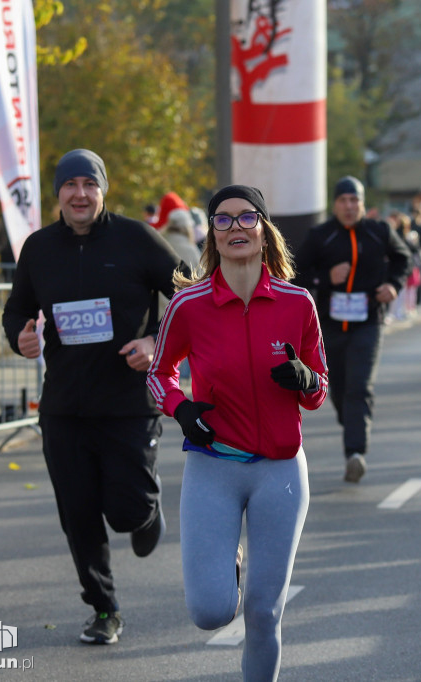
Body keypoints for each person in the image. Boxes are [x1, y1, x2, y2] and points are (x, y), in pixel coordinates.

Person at [2, 149, 186, 645]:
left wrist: (155, 343)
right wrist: (18, 336)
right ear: (57, 192)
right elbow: (16, 310)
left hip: (128, 403)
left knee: (126, 513)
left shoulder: (136, 239)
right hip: (64, 408)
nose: (79, 194)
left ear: (103, 190)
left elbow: (191, 296)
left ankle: (147, 510)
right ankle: (104, 608)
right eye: (70, 185)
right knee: (78, 514)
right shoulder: (38, 249)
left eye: (89, 184)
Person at [147, 185, 327, 682]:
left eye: (246, 218)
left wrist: (307, 380)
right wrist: (181, 409)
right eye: (221, 221)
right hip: (214, 466)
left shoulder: (297, 303)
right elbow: (158, 374)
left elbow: (319, 391)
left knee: (265, 613)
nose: (235, 228)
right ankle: (230, 565)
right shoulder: (189, 305)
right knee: (210, 612)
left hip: (281, 471)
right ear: (211, 234)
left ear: (264, 229)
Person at [293, 175, 412, 483]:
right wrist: (324, 278)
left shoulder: (379, 231)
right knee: (340, 389)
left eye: (354, 200)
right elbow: (296, 273)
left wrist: (394, 286)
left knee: (359, 386)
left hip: (368, 321)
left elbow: (404, 258)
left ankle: (355, 453)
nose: (349, 206)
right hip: (329, 325)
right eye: (343, 200)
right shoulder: (321, 235)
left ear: (362, 204)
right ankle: (353, 425)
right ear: (335, 204)